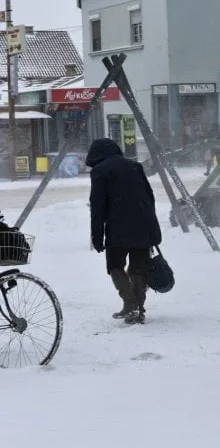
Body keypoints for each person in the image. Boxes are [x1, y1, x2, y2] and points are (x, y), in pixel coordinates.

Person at [87, 138, 162, 325]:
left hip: (118, 225)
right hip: (143, 223)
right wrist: (153, 228)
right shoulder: (135, 166)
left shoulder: (100, 171)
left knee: (115, 264)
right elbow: (149, 196)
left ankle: (130, 303)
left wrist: (97, 236)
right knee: (138, 266)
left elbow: (98, 206)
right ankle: (138, 307)